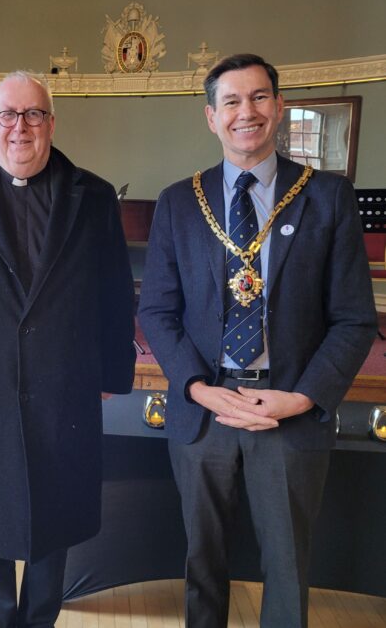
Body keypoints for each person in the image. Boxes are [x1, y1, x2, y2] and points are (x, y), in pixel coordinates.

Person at [138, 53, 377, 627]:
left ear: (279, 106)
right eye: (232, 101)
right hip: (205, 415)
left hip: (289, 412)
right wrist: (197, 387)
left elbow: (354, 319)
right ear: (211, 117)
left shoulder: (327, 198)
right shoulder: (178, 202)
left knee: (290, 568)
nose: (247, 112)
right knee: (203, 564)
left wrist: (302, 398)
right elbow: (158, 310)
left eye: (260, 97)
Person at [0, 71, 136, 626]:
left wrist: (112, 373)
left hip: (65, 390)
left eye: (33, 115)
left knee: (54, 523)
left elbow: (115, 292)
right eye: (8, 116)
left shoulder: (94, 196)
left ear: (51, 123)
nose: (20, 128)